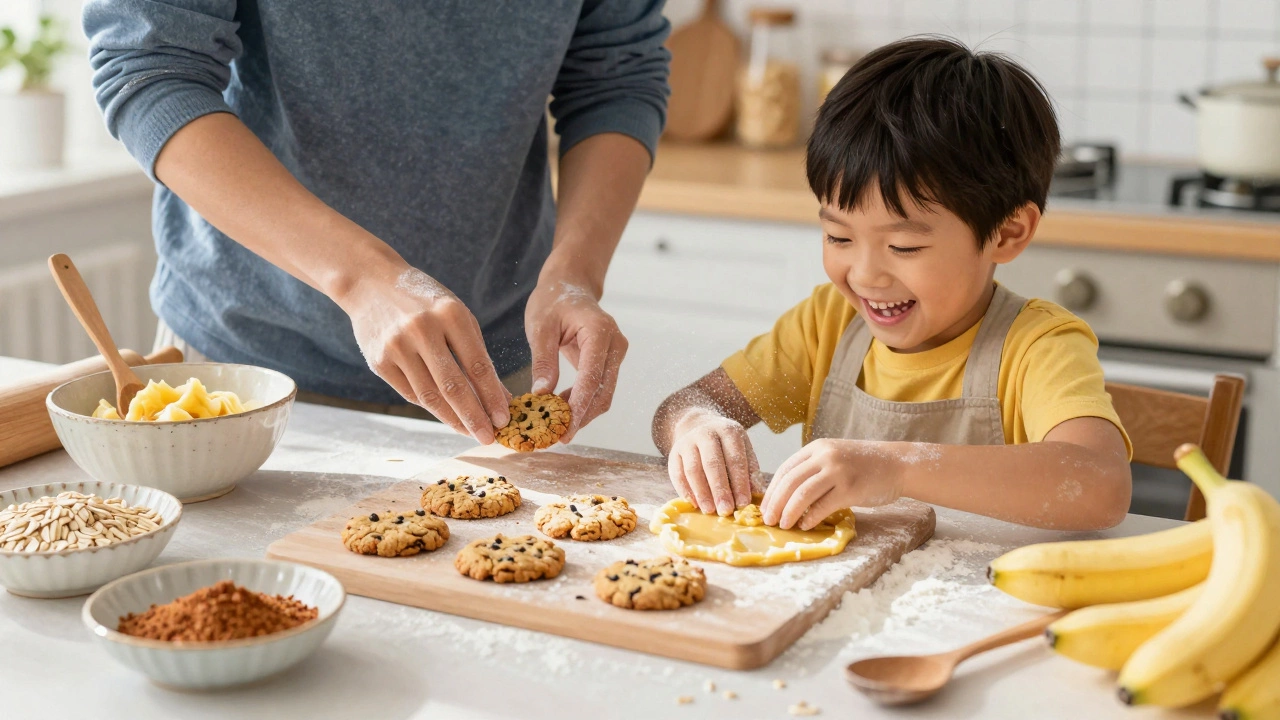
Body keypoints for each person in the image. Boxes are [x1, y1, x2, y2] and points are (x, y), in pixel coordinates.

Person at [82, 2, 671, 445]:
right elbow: (149, 71)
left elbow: (615, 79)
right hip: (242, 372)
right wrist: (363, 277)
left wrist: (574, 273)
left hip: (492, 374)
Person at [652, 37, 1132, 532]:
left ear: (1007, 233)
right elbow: (684, 406)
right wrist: (697, 427)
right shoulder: (827, 325)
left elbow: (1100, 485)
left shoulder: (1036, 347)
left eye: (903, 247)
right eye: (838, 236)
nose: (864, 275)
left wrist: (897, 467)